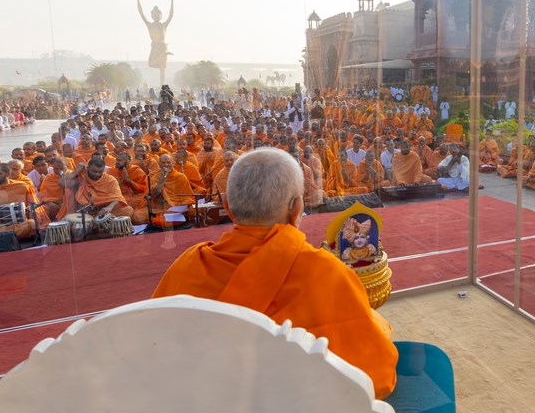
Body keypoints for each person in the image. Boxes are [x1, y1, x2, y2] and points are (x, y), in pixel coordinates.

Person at [151, 148, 397, 398]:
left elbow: (153, 353)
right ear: (297, 208)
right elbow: (378, 378)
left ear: (227, 206)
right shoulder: (326, 271)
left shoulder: (188, 265)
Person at [65, 158, 134, 221]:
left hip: (105, 212)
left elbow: (118, 198)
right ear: (88, 168)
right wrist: (76, 170)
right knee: (66, 219)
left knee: (128, 210)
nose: (97, 174)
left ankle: (101, 224)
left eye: (100, 172)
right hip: (86, 214)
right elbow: (63, 183)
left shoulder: (110, 179)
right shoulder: (81, 176)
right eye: (94, 171)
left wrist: (109, 207)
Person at [137, 0, 174, 87]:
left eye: (158, 15)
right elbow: (141, 13)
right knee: (152, 63)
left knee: (162, 68)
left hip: (162, 47)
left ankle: (162, 85)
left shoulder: (163, 25)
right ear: (152, 16)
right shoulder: (149, 25)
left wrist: (172, 1)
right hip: (154, 47)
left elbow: (171, 15)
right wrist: (138, 0)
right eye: (155, 15)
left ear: (161, 16)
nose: (157, 16)